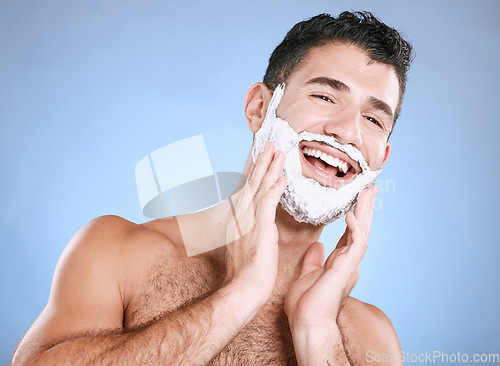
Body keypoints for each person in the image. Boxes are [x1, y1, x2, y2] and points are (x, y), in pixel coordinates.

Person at [12, 11, 413, 366]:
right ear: (259, 108)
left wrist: (316, 332)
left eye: (374, 120)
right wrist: (238, 296)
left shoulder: (369, 337)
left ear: (382, 159)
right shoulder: (116, 253)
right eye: (325, 95)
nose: (348, 131)